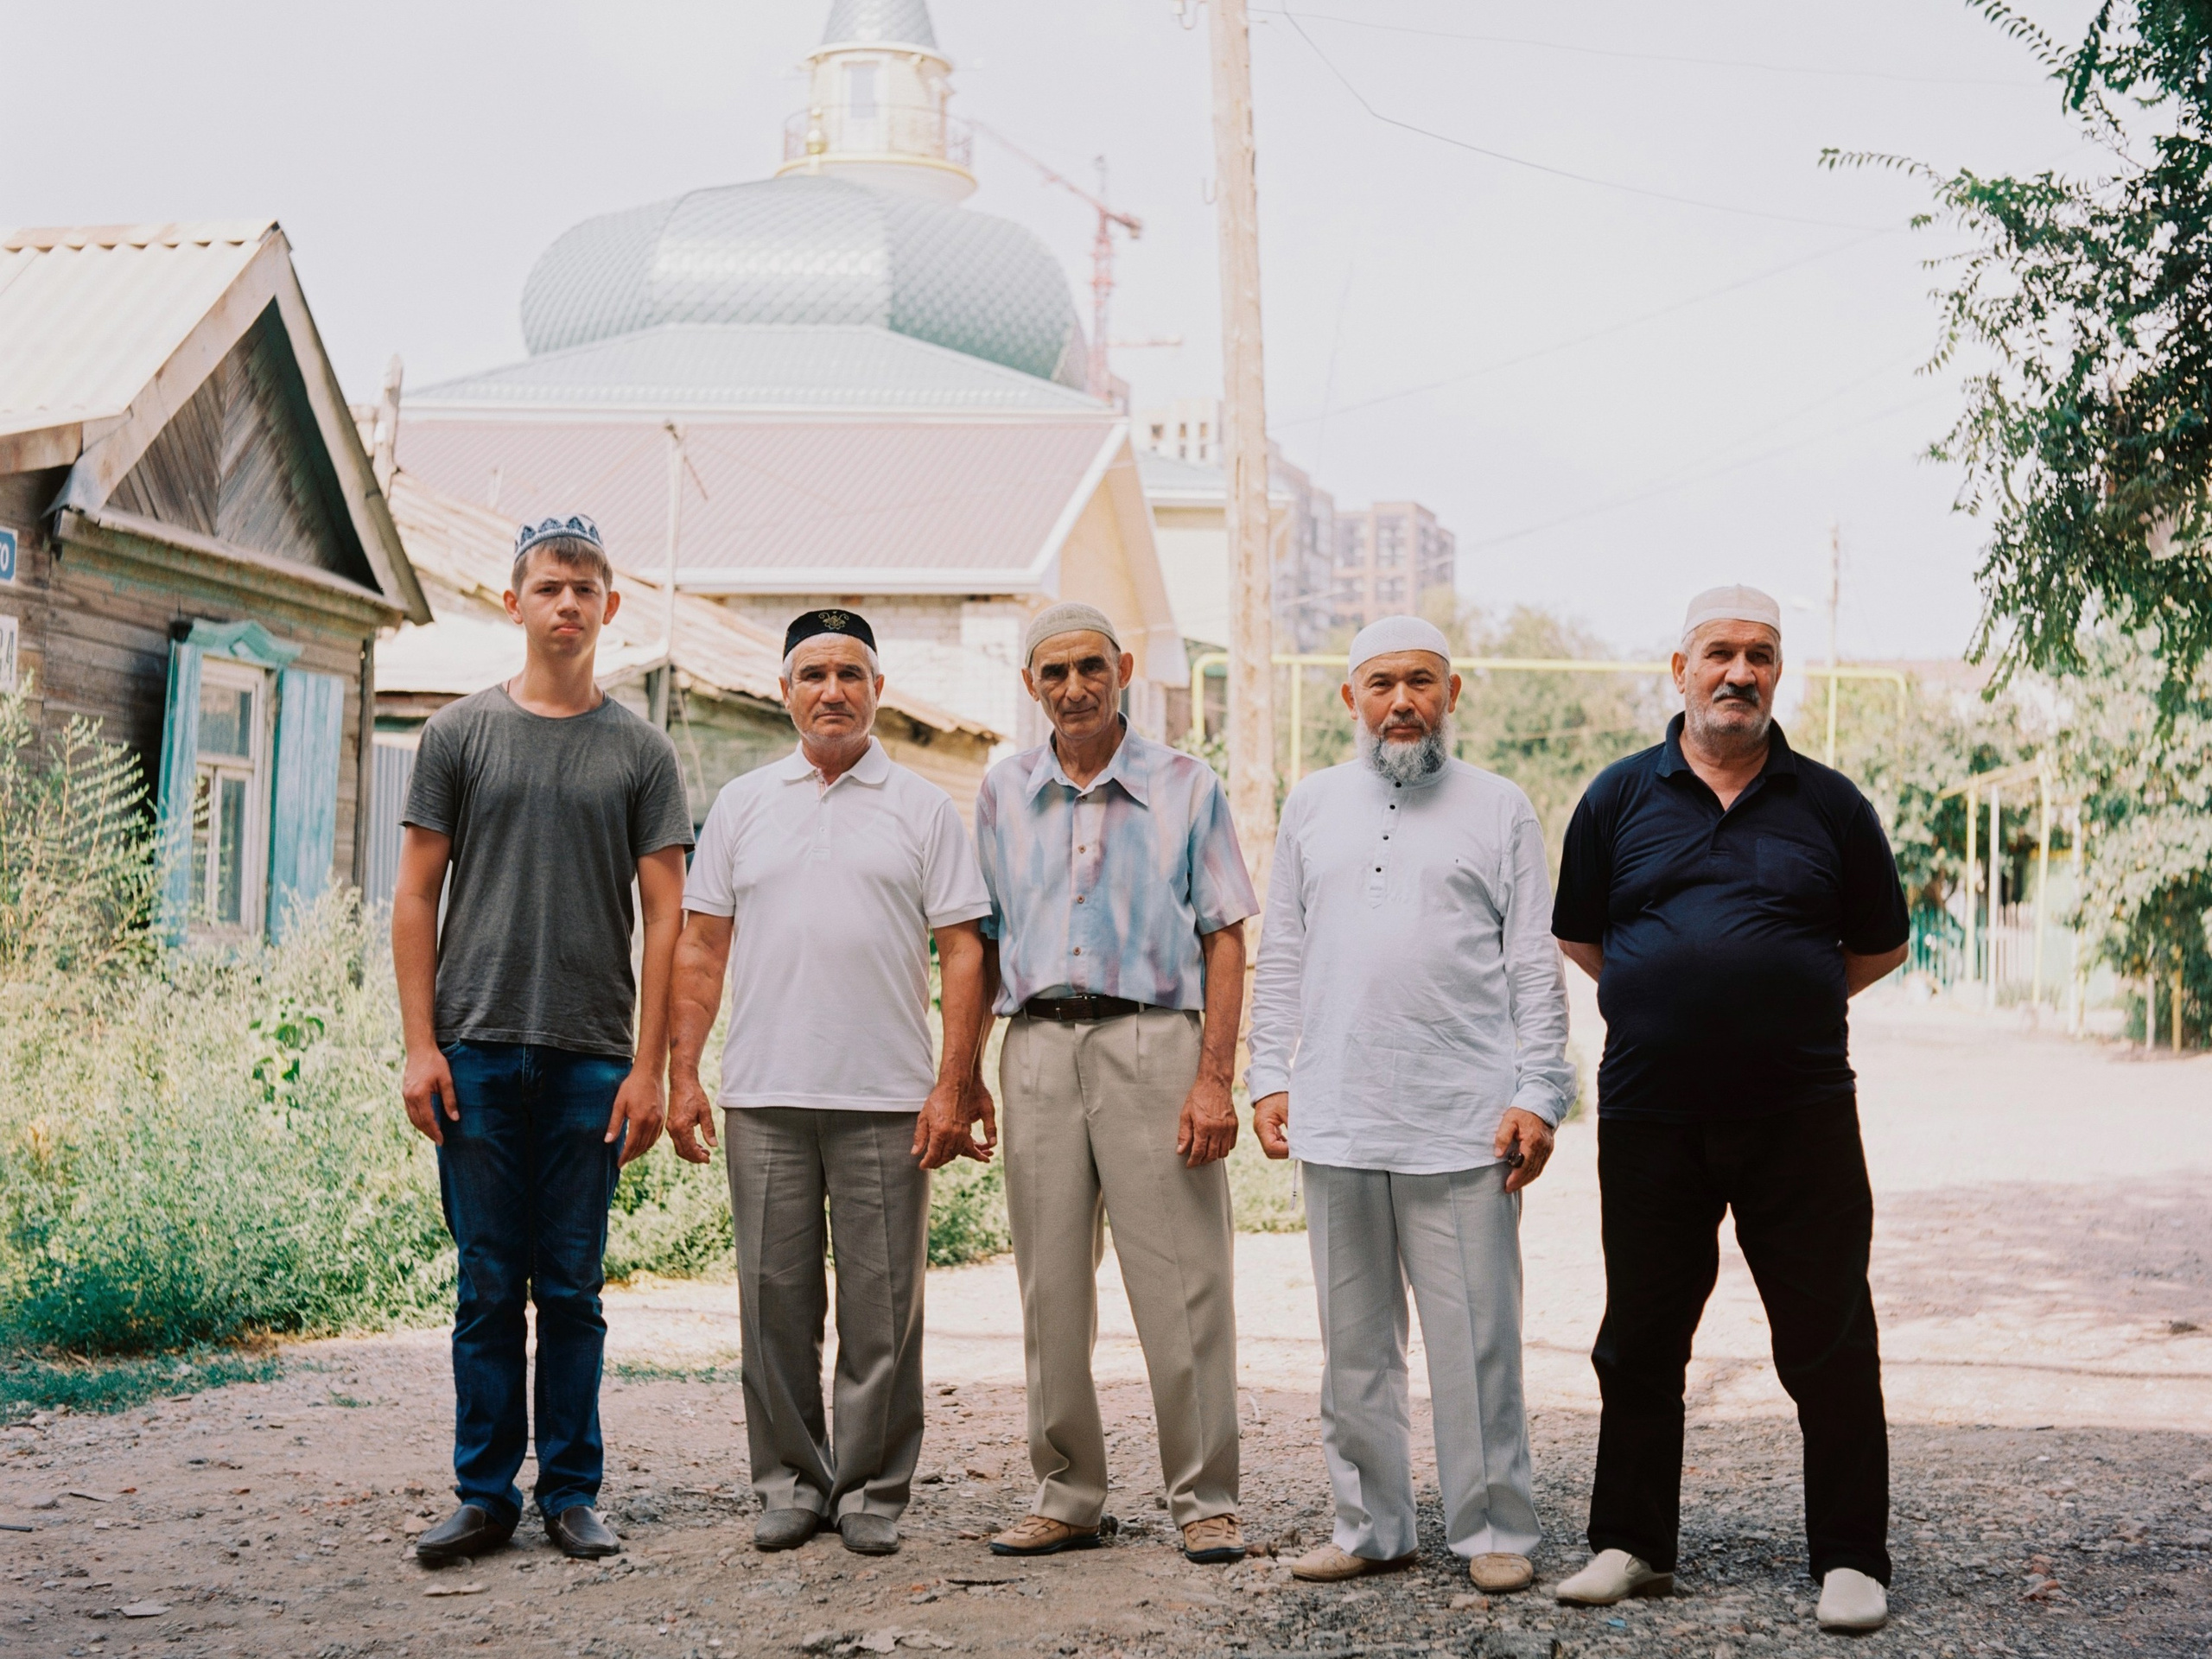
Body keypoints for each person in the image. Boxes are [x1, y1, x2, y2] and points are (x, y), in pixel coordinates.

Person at [1548, 584, 1909, 1633]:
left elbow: (1877, 945)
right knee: (1641, 1335)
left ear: (1777, 673)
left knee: (1828, 1334)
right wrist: (1682, 1002)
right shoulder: (1617, 798)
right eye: (1719, 654)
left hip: (1799, 1112)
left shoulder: (1830, 805)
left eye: (1759, 655)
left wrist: (1775, 1001)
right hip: (1653, 1114)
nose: (1738, 673)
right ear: (1679, 670)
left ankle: (1850, 1558)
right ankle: (1632, 1545)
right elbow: (1582, 939)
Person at [1246, 615, 1575, 1595]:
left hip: (1464, 1117)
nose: (1401, 702)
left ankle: (1492, 1531)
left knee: (1477, 1342)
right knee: (1354, 1345)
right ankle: (1370, 1526)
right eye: (1381, 683)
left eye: (1421, 682)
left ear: (1453, 693)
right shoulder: (1310, 806)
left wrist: (1539, 1093)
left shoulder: (1500, 807)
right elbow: (1285, 957)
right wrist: (1269, 1075)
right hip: (1338, 1112)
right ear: (1349, 698)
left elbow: (1532, 962)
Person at [394, 514, 694, 1564]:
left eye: (584, 590)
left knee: (570, 1286)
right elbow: (415, 895)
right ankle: (485, 1496)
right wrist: (419, 1045)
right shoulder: (457, 735)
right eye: (547, 587)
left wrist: (649, 1068)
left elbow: (668, 916)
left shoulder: (640, 751)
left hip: (587, 1060)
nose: (566, 604)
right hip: (472, 1050)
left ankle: (571, 1491)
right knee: (486, 1286)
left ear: (610, 609)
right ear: (512, 603)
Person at [665, 609, 993, 1558]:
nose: (832, 690)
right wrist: (683, 1073)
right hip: (764, 1092)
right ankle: (789, 1483)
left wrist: (953, 1084)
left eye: (851, 673)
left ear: (878, 691)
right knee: (773, 1302)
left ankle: (872, 1491)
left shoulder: (924, 808)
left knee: (883, 1309)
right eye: (812, 674)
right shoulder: (742, 804)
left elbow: (963, 950)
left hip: (887, 1098)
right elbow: (701, 945)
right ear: (784, 691)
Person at [969, 601, 1260, 1566]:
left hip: (1152, 1044)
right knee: (1049, 1285)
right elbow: (978, 943)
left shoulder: (1186, 785)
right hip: (1039, 1049)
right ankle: (1068, 1492)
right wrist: (962, 1072)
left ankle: (1204, 1497)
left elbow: (1225, 936)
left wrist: (1214, 1080)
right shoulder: (1002, 792)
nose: (1073, 689)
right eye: (1052, 674)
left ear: (1123, 667)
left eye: (1090, 667)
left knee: (1183, 1282)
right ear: (1030, 687)